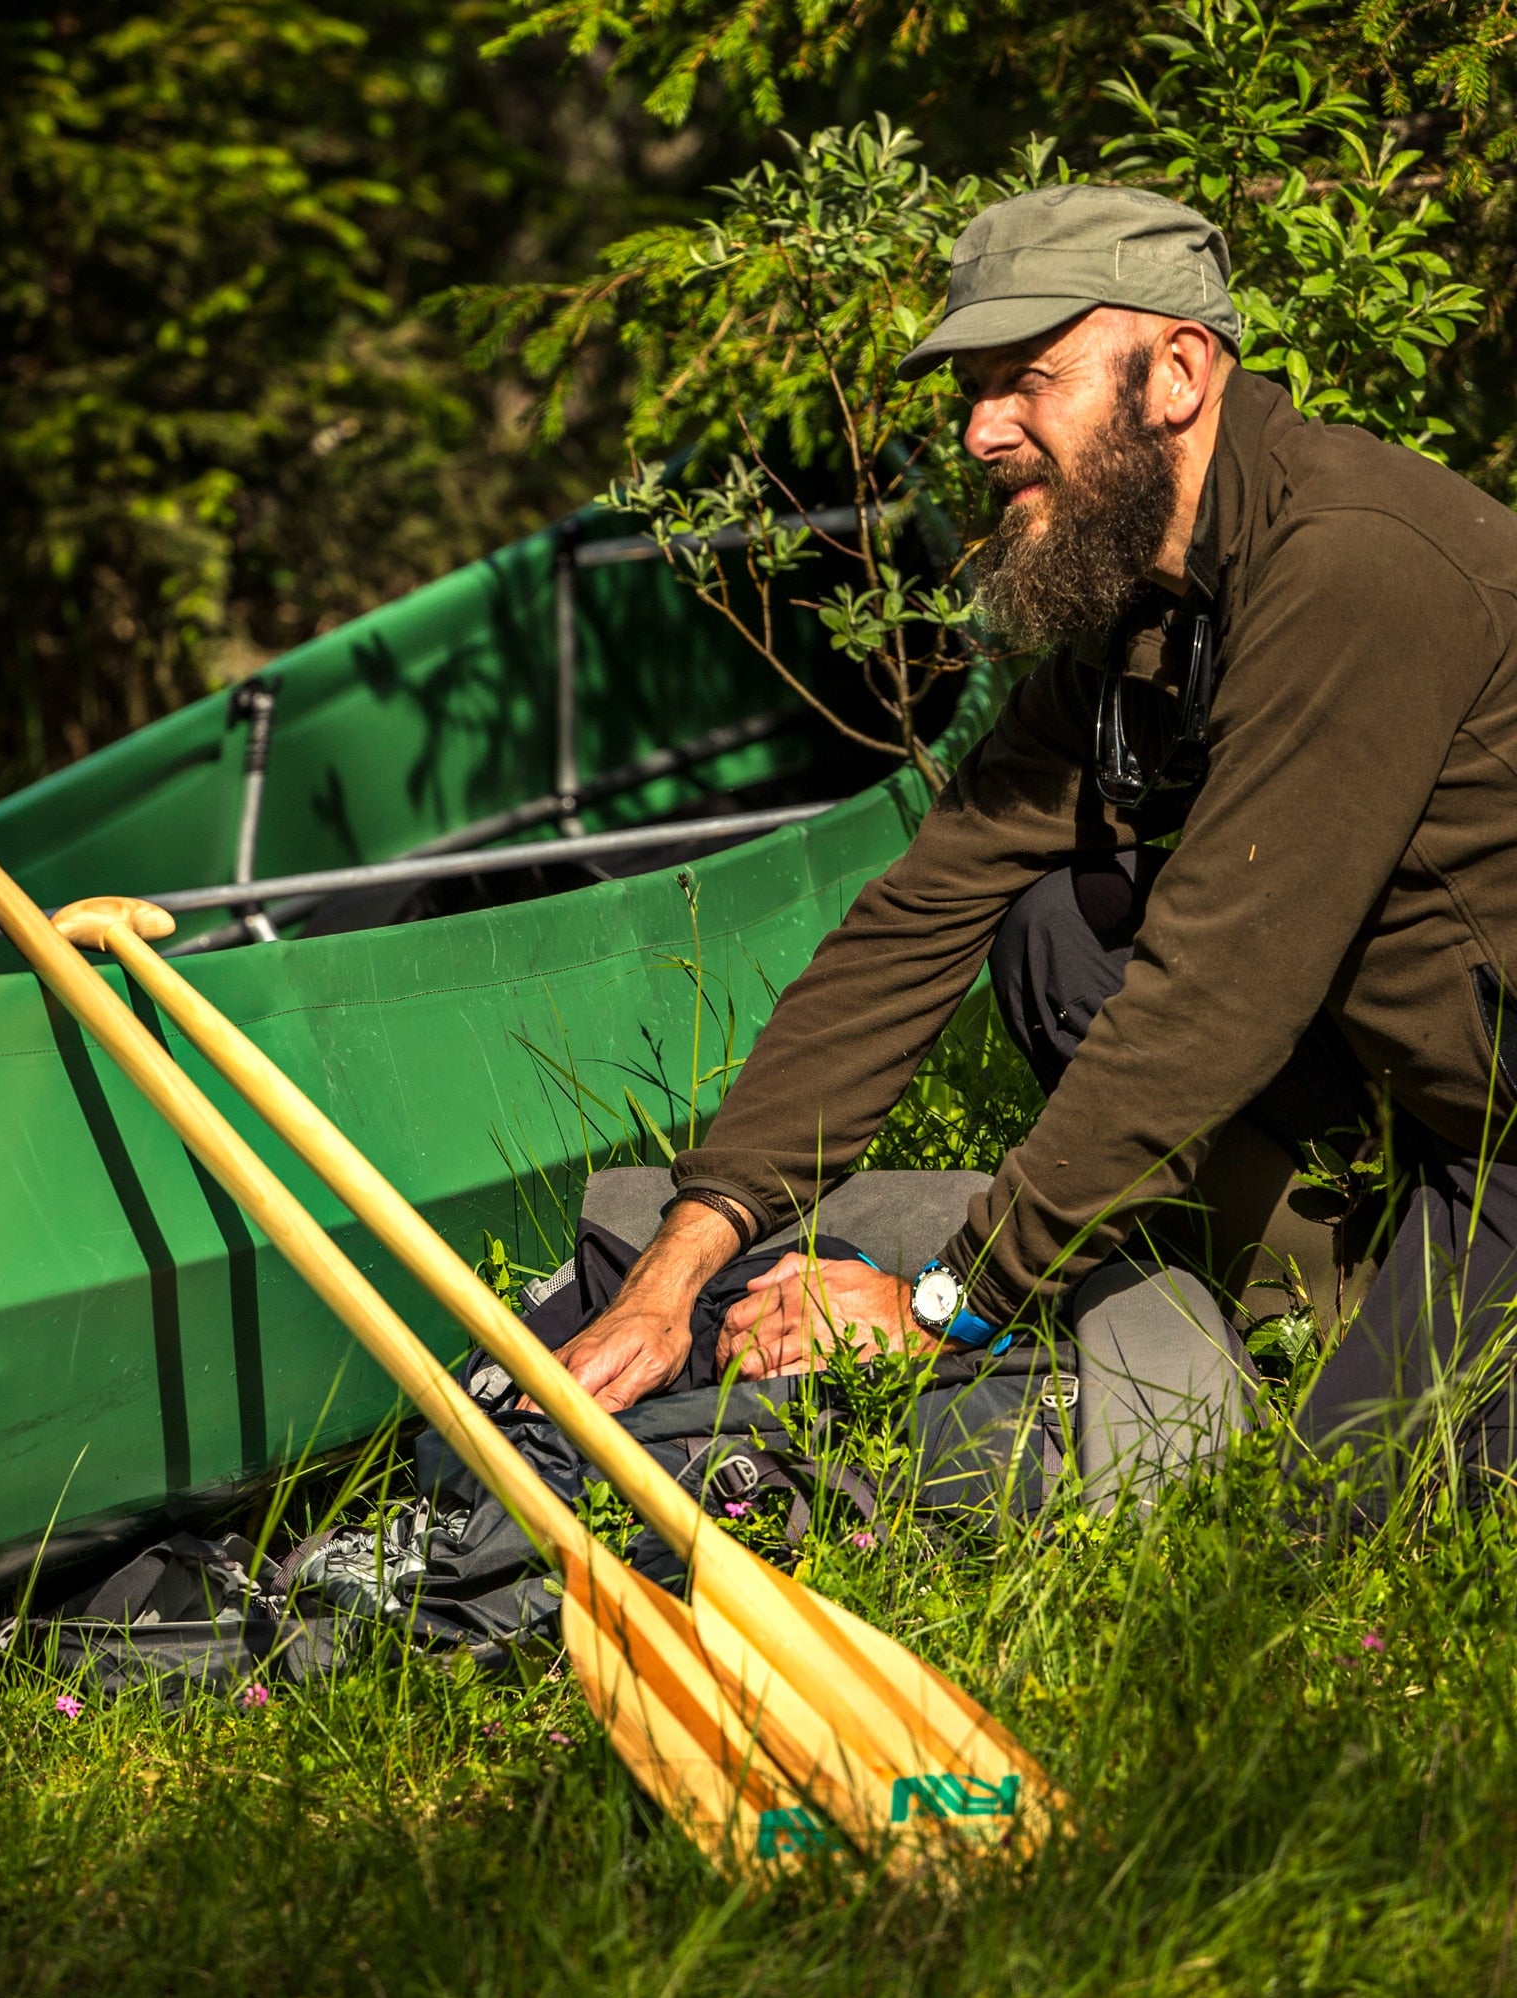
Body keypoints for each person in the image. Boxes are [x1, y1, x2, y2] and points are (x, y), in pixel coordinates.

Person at [543, 182, 1517, 1512]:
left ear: (1176, 371)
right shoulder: (1151, 614)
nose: (981, 431)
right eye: (972, 390)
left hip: (1502, 1134)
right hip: (1426, 1100)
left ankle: (1330, 1323)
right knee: (1058, 926)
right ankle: (1306, 1288)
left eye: (1027, 380)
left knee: (1329, 1536)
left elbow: (1214, 999)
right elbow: (918, 917)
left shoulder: (1351, 566)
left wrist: (948, 1303)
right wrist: (676, 1267)